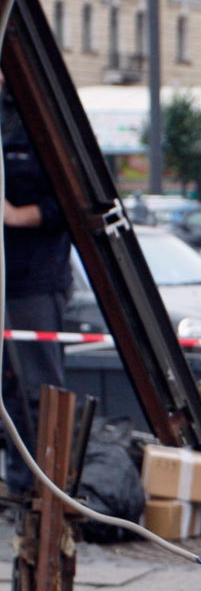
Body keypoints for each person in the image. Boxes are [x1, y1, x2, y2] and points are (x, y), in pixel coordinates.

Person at [1, 83, 70, 497]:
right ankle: (17, 481)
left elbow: (71, 201)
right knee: (8, 392)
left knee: (36, 390)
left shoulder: (36, 117)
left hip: (33, 280)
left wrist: (15, 215)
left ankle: (45, 488)